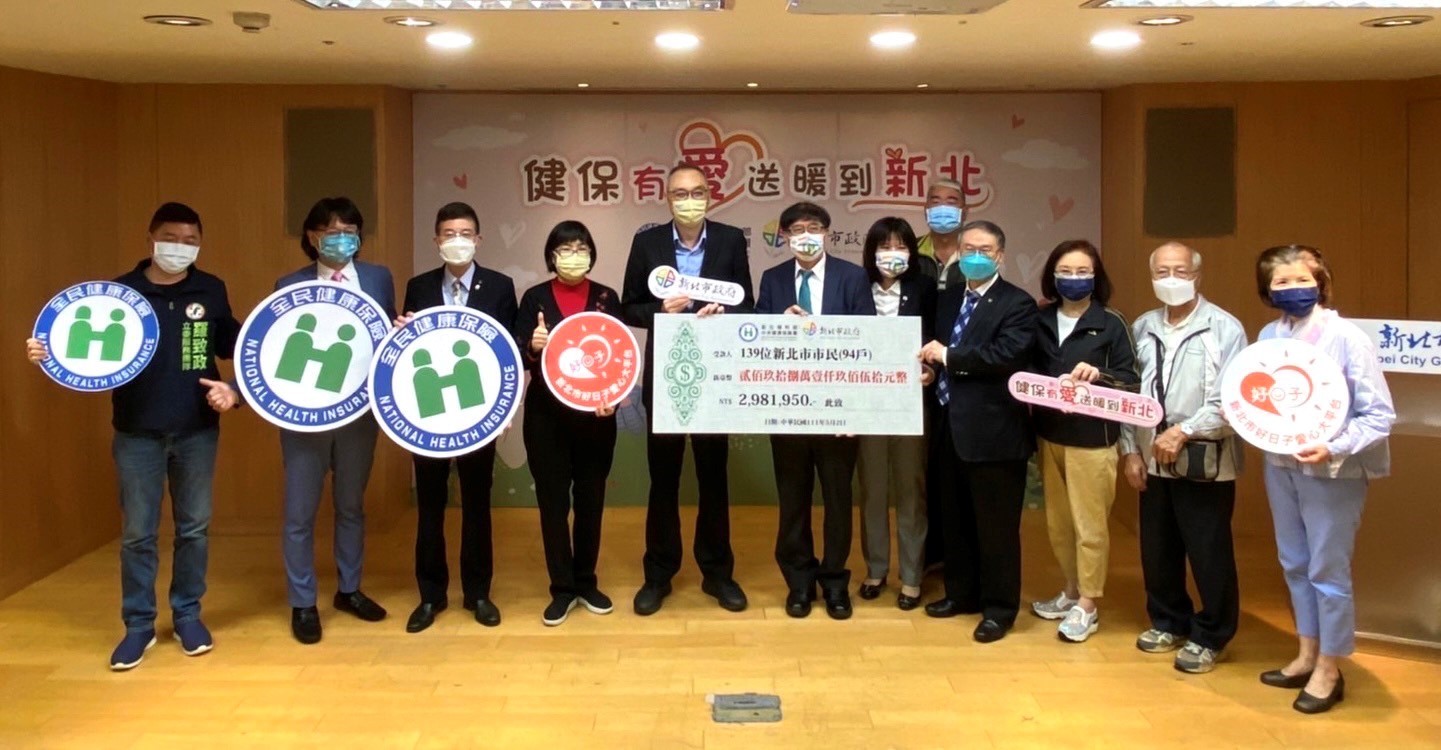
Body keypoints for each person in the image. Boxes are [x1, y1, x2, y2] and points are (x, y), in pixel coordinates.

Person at [24, 202, 241, 670]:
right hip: (137, 432)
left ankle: (187, 616)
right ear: (150, 239)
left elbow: (238, 346)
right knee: (138, 533)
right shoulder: (119, 294)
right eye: (171, 238)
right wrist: (47, 349)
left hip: (197, 431)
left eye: (190, 241)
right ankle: (138, 625)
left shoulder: (211, 289)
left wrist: (235, 391)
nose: (180, 248)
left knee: (194, 529)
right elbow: (82, 348)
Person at [1252, 244, 1394, 714]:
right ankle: (1306, 652)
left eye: (1302, 280)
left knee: (1327, 569)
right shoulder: (1269, 335)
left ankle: (1330, 667)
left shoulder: (1347, 338)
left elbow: (1379, 415)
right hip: (1281, 464)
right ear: (1267, 290)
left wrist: (1333, 445)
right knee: (1294, 562)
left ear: (1321, 283)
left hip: (1333, 470)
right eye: (1281, 282)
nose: (1292, 289)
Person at [620, 163, 754, 616]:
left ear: (710, 196)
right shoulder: (648, 243)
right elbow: (628, 307)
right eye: (680, 193)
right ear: (667, 198)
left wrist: (724, 313)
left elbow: (748, 304)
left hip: (715, 373)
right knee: (664, 478)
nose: (689, 200)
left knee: (714, 476)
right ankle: (658, 574)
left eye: (697, 192)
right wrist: (661, 310)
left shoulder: (731, 240)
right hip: (666, 374)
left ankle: (718, 573)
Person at [1119, 242, 1248, 673]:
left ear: (1197, 275)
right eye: (1162, 271)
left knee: (1208, 549)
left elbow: (1233, 399)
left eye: (1180, 271)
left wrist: (1184, 430)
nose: (1170, 279)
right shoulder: (1142, 326)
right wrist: (1130, 451)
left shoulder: (1224, 328)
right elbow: (1127, 394)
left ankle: (1212, 634)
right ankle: (1168, 621)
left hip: (1204, 456)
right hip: (1150, 455)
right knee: (1157, 548)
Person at [276, 196, 396, 645]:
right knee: (299, 513)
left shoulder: (379, 278)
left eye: (350, 230)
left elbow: (386, 334)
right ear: (312, 236)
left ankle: (349, 589)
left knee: (350, 506)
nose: (342, 238)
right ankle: (303, 602)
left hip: (359, 413)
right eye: (332, 231)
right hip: (304, 415)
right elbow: (272, 350)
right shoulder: (289, 284)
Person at [399, 202, 518, 633]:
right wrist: (401, 329)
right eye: (449, 234)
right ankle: (431, 595)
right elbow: (408, 351)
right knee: (430, 505)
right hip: (429, 414)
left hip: (478, 413)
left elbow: (510, 351)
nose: (457, 241)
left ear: (478, 239)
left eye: (465, 234)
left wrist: (505, 407)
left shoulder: (500, 286)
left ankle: (478, 593)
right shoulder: (419, 286)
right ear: (436, 240)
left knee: (477, 504)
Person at [755, 202, 877, 619]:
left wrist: (856, 408)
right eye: (796, 229)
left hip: (839, 411)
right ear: (784, 236)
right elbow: (755, 338)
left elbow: (868, 340)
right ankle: (799, 582)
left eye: (813, 227)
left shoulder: (852, 277)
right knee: (793, 500)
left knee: (839, 500)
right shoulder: (773, 279)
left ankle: (835, 582)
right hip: (788, 408)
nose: (805, 235)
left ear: (827, 233)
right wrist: (779, 325)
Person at [919, 220, 1037, 643]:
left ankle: (999, 609)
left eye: (984, 250)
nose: (974, 256)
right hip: (948, 425)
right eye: (967, 248)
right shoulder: (950, 297)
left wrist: (948, 357)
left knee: (996, 528)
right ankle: (961, 594)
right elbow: (936, 352)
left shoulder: (1018, 303)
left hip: (995, 434)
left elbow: (1005, 355)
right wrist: (932, 371)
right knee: (955, 519)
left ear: (1000, 256)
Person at [1028, 240, 1139, 643]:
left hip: (1093, 440)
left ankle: (1089, 604)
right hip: (1049, 435)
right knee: (1059, 525)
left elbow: (1131, 380)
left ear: (1096, 277)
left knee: (1090, 526)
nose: (1073, 279)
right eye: (1065, 272)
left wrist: (1099, 375)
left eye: (1082, 272)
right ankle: (1071, 590)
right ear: (1052, 276)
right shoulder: (1040, 319)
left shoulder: (1111, 322)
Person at [514, 221, 621, 626]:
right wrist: (532, 345)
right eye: (565, 248)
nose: (574, 255)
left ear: (591, 254)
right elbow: (520, 353)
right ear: (552, 256)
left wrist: (613, 396)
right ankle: (562, 588)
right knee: (553, 503)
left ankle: (586, 582)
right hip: (546, 416)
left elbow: (619, 357)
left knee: (591, 500)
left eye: (581, 248)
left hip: (596, 417)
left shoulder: (606, 297)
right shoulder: (535, 298)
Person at [855, 217, 937, 611]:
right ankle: (875, 570)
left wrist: (932, 371)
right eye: (884, 246)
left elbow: (938, 339)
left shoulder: (925, 289)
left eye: (901, 246)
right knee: (872, 490)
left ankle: (911, 577)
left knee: (910, 490)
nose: (892, 253)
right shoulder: (856, 287)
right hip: (867, 404)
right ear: (871, 252)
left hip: (911, 403)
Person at [916, 179, 965, 290]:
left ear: (964, 212)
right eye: (935, 202)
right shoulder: (910, 250)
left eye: (951, 203)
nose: (942, 208)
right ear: (926, 211)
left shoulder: (975, 254)